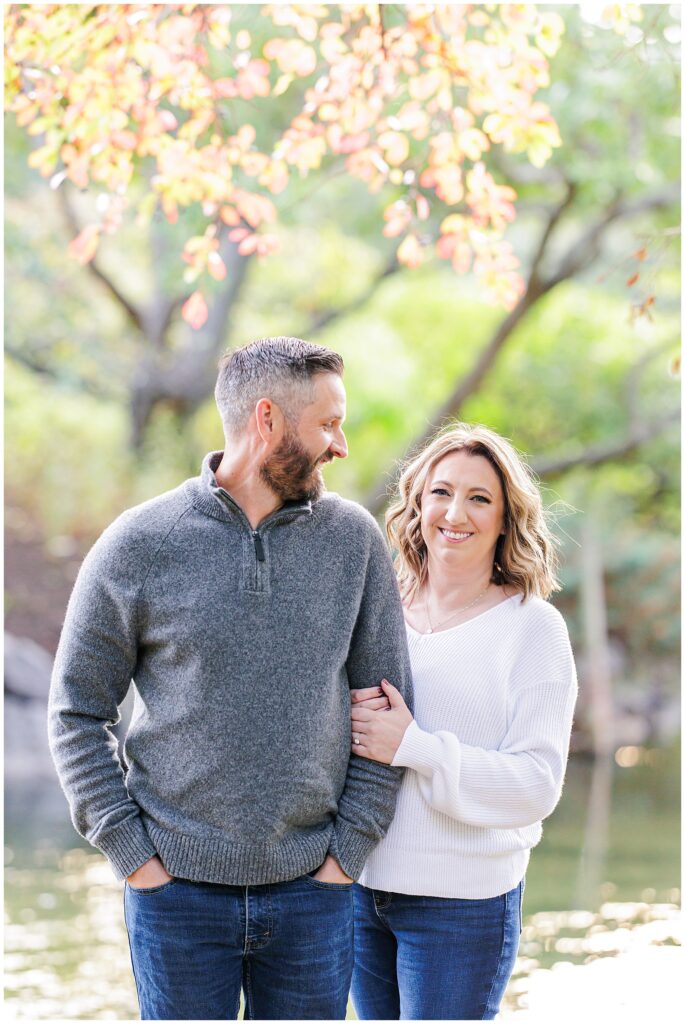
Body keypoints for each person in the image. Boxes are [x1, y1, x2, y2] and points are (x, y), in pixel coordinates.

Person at [48, 336, 413, 1021]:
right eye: (328, 423)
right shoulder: (138, 544)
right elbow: (75, 712)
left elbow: (386, 707)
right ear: (267, 419)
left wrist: (344, 858)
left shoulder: (353, 542)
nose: (340, 445)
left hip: (314, 892)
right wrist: (134, 859)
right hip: (173, 895)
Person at [348, 423, 577, 1021]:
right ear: (417, 503)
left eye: (480, 498)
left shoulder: (532, 628)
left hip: (462, 906)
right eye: (441, 492)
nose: (456, 513)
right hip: (356, 888)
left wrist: (416, 747)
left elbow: (536, 786)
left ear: (506, 519)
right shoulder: (377, 608)